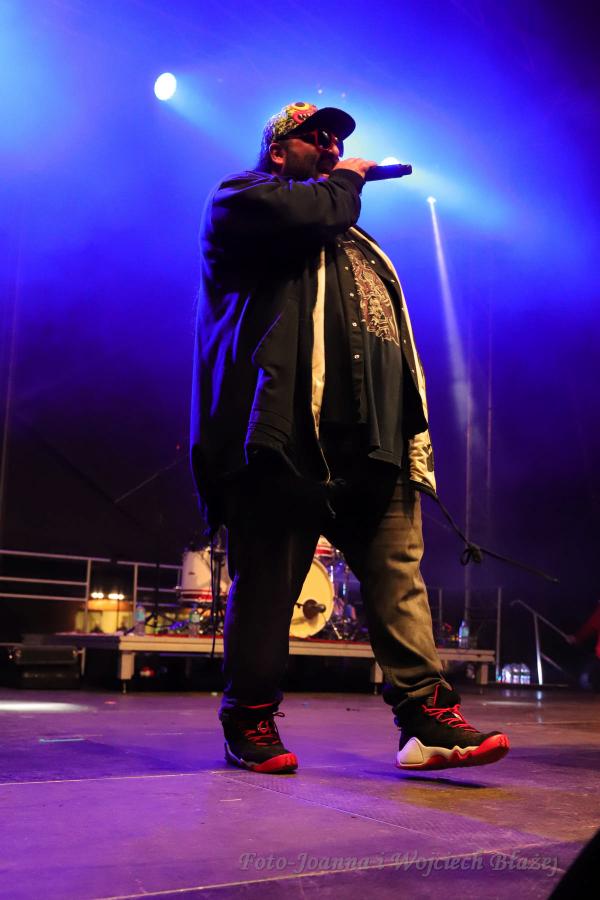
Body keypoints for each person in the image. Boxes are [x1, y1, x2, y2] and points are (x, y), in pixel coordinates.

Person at [190, 100, 509, 773]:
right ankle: (248, 718)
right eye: (317, 138)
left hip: (372, 444)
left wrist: (405, 429)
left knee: (398, 577)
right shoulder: (243, 201)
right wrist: (350, 179)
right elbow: (307, 214)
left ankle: (426, 720)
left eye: (339, 142)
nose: (334, 148)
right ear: (279, 150)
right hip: (284, 439)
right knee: (269, 584)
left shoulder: (354, 238)